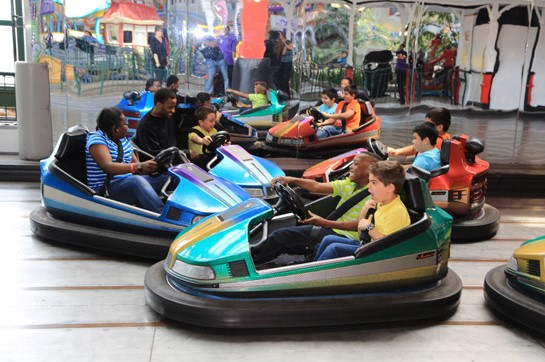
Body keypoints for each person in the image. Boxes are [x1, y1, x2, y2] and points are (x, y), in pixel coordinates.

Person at [251, 152, 379, 265]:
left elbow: (358, 225)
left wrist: (324, 223)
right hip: (330, 229)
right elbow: (316, 186)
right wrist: (289, 179)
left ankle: (250, 263)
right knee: (281, 235)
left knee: (282, 236)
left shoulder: (375, 194)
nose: (351, 166)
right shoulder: (349, 184)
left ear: (369, 169)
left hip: (346, 237)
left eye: (355, 164)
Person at [314, 160, 410, 261]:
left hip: (380, 255)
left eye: (374, 182)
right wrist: (363, 213)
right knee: (328, 239)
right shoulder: (380, 203)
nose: (368, 186)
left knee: (334, 249)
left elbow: (387, 245)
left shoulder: (397, 212)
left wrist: (369, 227)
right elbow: (361, 234)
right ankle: (310, 266)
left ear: (390, 187)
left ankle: (312, 275)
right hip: (369, 245)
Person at [86, 107, 166, 214]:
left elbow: (136, 164)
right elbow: (108, 166)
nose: (127, 127)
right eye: (125, 124)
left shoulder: (122, 139)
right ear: (116, 128)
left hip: (126, 183)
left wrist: (156, 167)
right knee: (136, 181)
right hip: (106, 189)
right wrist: (138, 166)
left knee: (169, 178)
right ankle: (164, 217)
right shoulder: (97, 140)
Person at [133, 88, 178, 157]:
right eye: (170, 107)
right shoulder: (146, 127)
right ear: (159, 105)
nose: (173, 111)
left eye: (174, 107)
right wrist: (186, 153)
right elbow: (156, 155)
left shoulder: (168, 115)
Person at [276, 31, 294, 95]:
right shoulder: (279, 43)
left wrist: (285, 43)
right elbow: (283, 53)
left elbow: (291, 48)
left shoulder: (288, 41)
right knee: (281, 78)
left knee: (286, 77)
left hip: (288, 62)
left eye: (280, 35)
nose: (279, 36)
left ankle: (287, 93)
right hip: (281, 62)